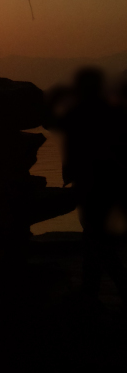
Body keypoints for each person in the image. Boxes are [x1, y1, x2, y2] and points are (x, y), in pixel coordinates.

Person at [49, 68, 127, 303]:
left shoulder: (79, 112)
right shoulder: (112, 111)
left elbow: (50, 121)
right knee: (94, 237)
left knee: (96, 238)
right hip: (111, 182)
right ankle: (90, 289)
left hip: (92, 183)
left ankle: (112, 288)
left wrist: (55, 97)